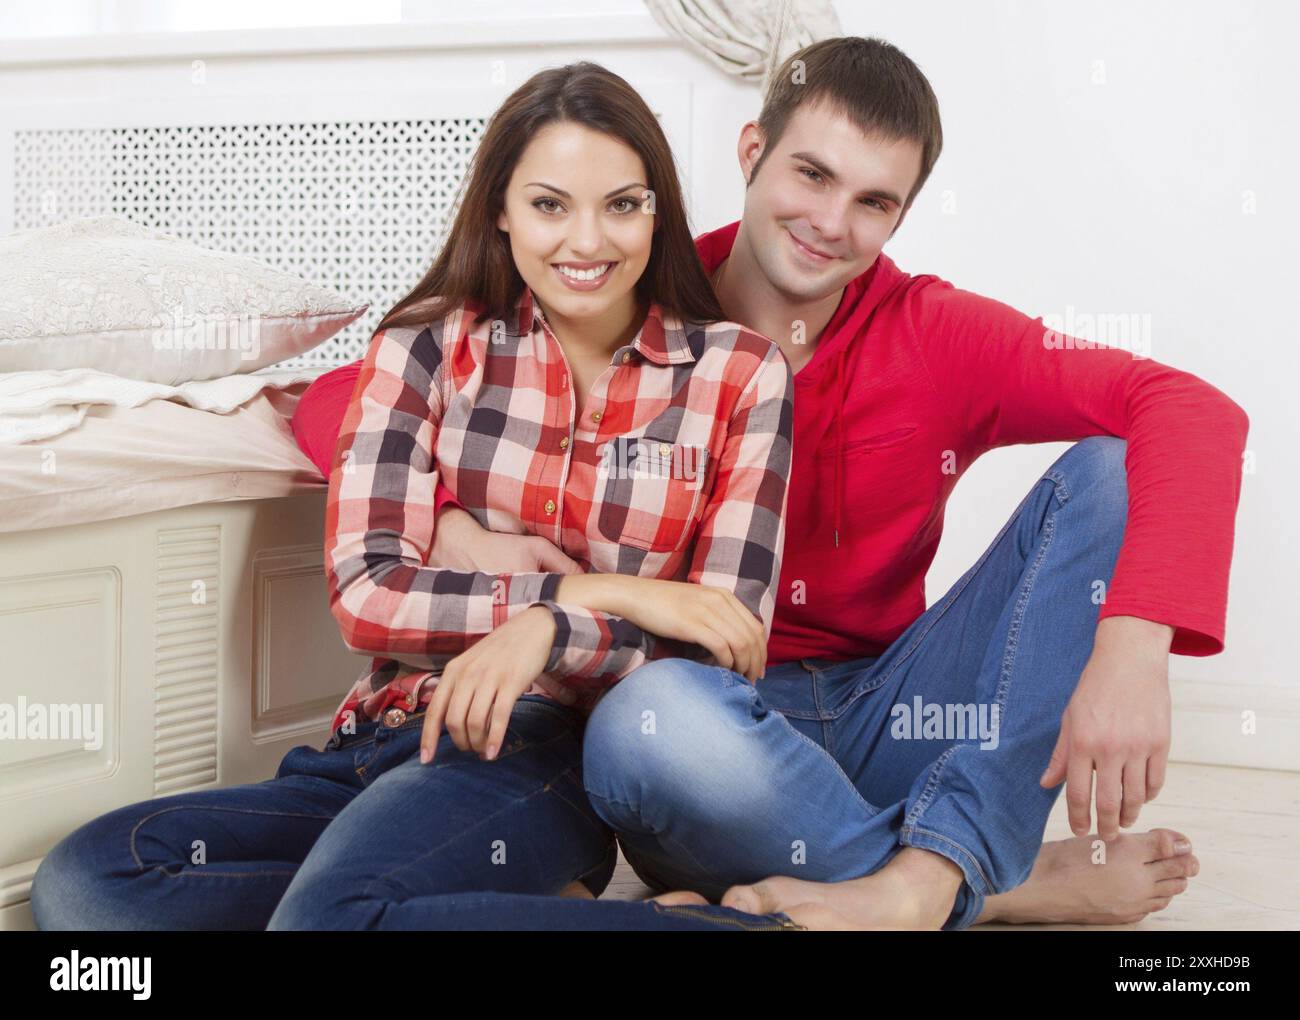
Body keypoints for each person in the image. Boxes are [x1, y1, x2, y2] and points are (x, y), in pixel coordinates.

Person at [294, 38, 1247, 931]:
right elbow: (344, 393)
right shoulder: (635, 282)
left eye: (875, 202)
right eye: (812, 173)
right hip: (707, 737)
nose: (831, 223)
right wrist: (452, 521)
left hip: (893, 707)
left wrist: (1133, 644)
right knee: (644, 718)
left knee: (1109, 470)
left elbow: (1191, 410)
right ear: (754, 151)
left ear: (904, 213)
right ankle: (992, 887)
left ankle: (925, 883)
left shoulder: (940, 334)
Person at [28, 60, 800, 931]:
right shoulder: (425, 346)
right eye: (550, 204)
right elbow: (366, 594)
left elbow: (721, 645)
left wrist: (542, 640)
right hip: (374, 742)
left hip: (532, 757)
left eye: (623, 204)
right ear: (500, 212)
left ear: (657, 213)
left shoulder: (737, 374)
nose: (588, 241)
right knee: (89, 886)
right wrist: (591, 593)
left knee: (332, 918)